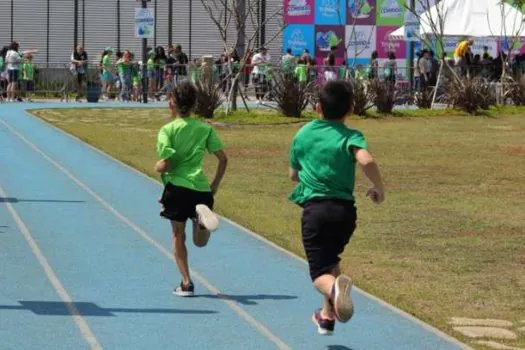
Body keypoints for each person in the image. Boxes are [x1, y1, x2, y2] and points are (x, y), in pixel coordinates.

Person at [288, 80, 384, 336]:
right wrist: (378, 187)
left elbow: (293, 175)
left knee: (320, 274)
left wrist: (310, 173)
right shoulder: (352, 136)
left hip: (316, 212)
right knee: (331, 261)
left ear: (317, 107)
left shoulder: (303, 134)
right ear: (350, 110)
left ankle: (334, 291)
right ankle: (327, 317)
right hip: (345, 214)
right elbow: (366, 159)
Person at [155, 81, 228, 296]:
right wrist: (214, 185)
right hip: (201, 189)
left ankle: (186, 283)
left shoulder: (167, 130)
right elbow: (223, 159)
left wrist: (159, 166)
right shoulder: (205, 129)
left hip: (177, 188)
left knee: (178, 235)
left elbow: (167, 163)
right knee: (200, 242)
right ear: (195, 104)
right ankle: (202, 222)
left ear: (172, 104)